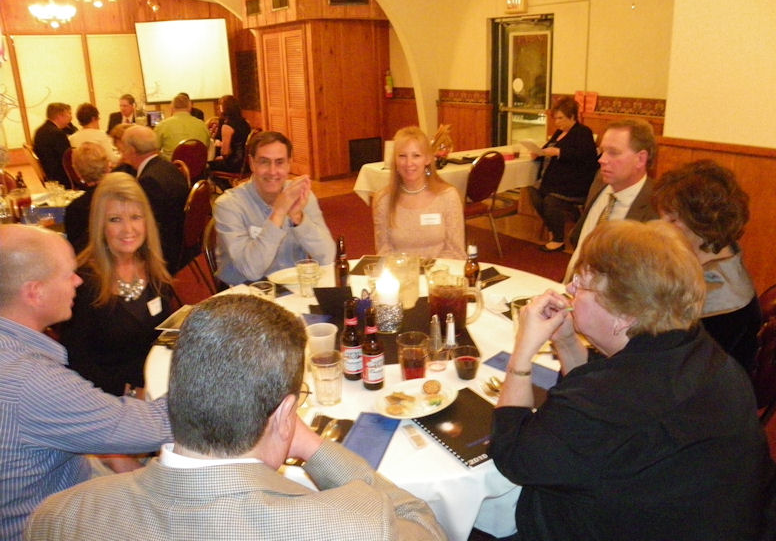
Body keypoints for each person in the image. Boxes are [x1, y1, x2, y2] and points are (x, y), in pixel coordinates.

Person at [26, 294, 447, 541]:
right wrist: (313, 446)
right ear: (286, 413)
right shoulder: (353, 524)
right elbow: (422, 524)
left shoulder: (60, 515)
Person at [490, 220, 776, 541]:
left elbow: (514, 457)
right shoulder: (695, 348)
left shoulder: (610, 398)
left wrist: (522, 352)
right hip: (739, 518)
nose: (570, 290)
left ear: (625, 314)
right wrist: (567, 341)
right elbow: (601, 397)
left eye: (582, 283)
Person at [0, 225, 172, 541]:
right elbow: (158, 425)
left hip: (63, 481)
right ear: (35, 292)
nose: (78, 281)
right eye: (68, 274)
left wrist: (108, 449)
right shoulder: (29, 380)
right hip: (43, 525)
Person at [60, 172, 178, 396]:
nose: (128, 230)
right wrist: (131, 392)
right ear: (100, 225)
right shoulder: (84, 282)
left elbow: (163, 332)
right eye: (115, 219)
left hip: (159, 382)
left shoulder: (154, 266)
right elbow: (76, 362)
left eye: (135, 217)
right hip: (111, 397)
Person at [653, 160, 761, 373]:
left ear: (703, 223)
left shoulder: (720, 294)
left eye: (672, 220)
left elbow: (673, 365)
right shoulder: (721, 258)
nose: (660, 227)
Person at [214, 131, 335, 286]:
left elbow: (327, 256)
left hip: (294, 287)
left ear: (289, 163)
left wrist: (298, 217)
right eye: (264, 162)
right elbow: (251, 271)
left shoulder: (300, 196)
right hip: (247, 291)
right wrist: (279, 213)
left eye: (279, 162)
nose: (272, 171)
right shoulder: (229, 205)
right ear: (252, 163)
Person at [563, 117, 658, 283]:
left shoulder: (655, 206)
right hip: (571, 286)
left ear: (641, 159)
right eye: (603, 151)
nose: (602, 159)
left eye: (613, 153)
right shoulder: (600, 182)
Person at [372, 126, 466, 259]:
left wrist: (427, 270)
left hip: (441, 270)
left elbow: (456, 252)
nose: (409, 163)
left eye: (416, 156)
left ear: (427, 159)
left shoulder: (448, 196)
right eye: (402, 156)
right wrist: (409, 270)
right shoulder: (383, 199)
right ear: (395, 161)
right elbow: (384, 252)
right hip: (400, 271)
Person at [529, 97, 598, 252]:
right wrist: (539, 154)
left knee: (551, 200)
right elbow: (547, 150)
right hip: (556, 181)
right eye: (555, 118)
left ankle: (558, 239)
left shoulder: (583, 132)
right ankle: (552, 227)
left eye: (561, 118)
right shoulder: (559, 132)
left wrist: (559, 152)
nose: (557, 122)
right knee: (533, 192)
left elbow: (585, 156)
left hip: (574, 183)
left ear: (572, 116)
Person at [118, 125, 189, 274]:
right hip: (182, 237)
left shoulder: (149, 181)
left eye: (123, 148)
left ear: (132, 150)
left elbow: (147, 225)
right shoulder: (168, 166)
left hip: (166, 248)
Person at [64, 142, 110, 254]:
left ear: (78, 172)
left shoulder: (76, 208)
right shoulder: (125, 195)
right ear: (108, 166)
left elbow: (76, 250)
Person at [154, 93, 211, 160]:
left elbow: (154, 151)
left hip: (172, 165)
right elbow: (206, 147)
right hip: (198, 165)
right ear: (190, 107)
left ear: (171, 108)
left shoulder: (162, 126)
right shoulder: (202, 125)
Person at [209, 94, 251, 176]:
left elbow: (225, 153)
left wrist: (221, 156)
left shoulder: (227, 126)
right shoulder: (246, 122)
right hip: (246, 164)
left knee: (207, 165)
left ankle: (220, 184)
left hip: (234, 164)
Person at [32, 102, 72, 187]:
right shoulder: (57, 133)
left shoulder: (40, 131)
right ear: (59, 116)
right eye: (68, 114)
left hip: (49, 173)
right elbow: (68, 159)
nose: (70, 117)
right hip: (61, 177)